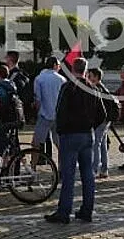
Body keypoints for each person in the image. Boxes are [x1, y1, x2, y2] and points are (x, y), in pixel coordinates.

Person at [44, 58, 106, 224]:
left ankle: (64, 212)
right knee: (87, 174)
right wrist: (91, 124)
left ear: (72, 69)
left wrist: (61, 129)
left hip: (70, 134)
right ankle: (87, 210)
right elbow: (103, 114)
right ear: (85, 70)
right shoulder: (93, 88)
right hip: (87, 134)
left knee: (68, 175)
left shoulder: (68, 87)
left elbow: (59, 110)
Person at [32, 56, 66, 159]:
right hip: (58, 116)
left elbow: (38, 99)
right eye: (59, 65)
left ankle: (33, 165)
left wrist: (38, 112)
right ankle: (62, 165)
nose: (59, 67)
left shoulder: (39, 79)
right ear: (55, 65)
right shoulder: (62, 79)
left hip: (44, 115)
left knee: (36, 144)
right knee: (60, 144)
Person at [0, 65, 23, 174]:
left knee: (0, 147)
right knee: (10, 147)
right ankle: (11, 170)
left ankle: (4, 171)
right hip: (14, 119)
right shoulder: (11, 85)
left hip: (4, 121)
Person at [87, 68, 113, 179]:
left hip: (100, 121)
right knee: (102, 145)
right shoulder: (103, 88)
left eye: (90, 76)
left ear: (96, 77)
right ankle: (104, 169)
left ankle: (94, 170)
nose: (88, 78)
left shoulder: (97, 88)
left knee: (96, 144)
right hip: (105, 120)